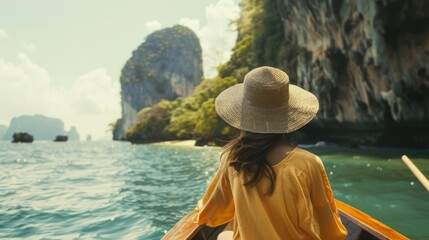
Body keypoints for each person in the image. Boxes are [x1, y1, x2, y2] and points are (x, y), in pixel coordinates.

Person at [193, 66, 348, 240]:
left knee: (224, 236)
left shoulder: (233, 158)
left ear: (245, 113)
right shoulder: (308, 163)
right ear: (288, 112)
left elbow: (212, 213)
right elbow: (329, 229)